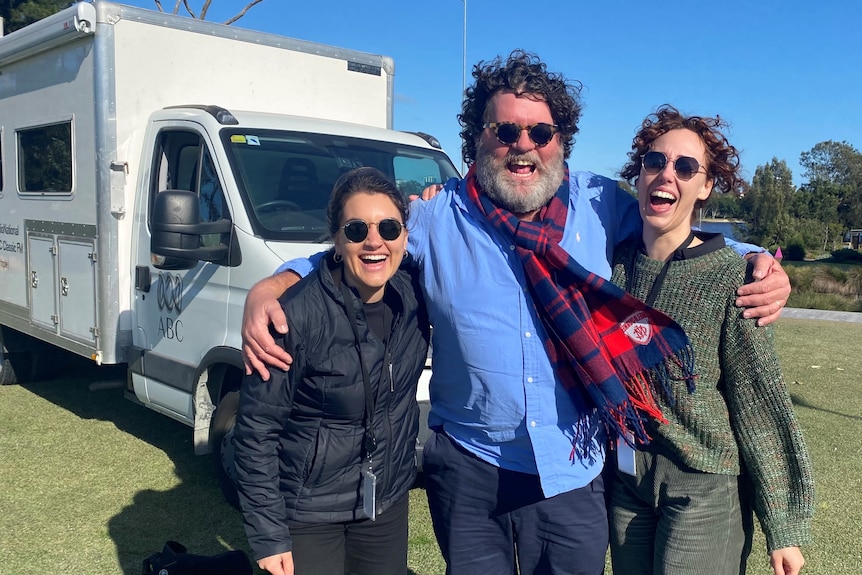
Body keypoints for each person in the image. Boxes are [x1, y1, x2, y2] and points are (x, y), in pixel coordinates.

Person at [241, 51, 792, 574]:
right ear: (480, 138)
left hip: (571, 468)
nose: (522, 146)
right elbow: (365, 248)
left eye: (540, 133)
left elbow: (673, 230)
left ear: (561, 140)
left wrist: (756, 259)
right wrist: (277, 281)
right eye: (505, 131)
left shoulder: (602, 206)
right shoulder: (437, 218)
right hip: (468, 465)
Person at [607, 105, 815, 575]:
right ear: (639, 175)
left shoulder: (732, 278)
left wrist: (783, 526)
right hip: (628, 484)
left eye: (685, 167)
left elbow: (758, 400)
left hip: (702, 485)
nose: (666, 175)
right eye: (655, 161)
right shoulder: (614, 268)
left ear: (705, 187)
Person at [232, 167, 430, 575]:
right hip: (308, 510)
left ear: (405, 238)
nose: (374, 241)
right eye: (356, 229)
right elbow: (255, 432)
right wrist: (269, 536)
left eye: (389, 228)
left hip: (384, 501)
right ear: (337, 241)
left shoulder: (414, 297)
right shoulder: (293, 317)